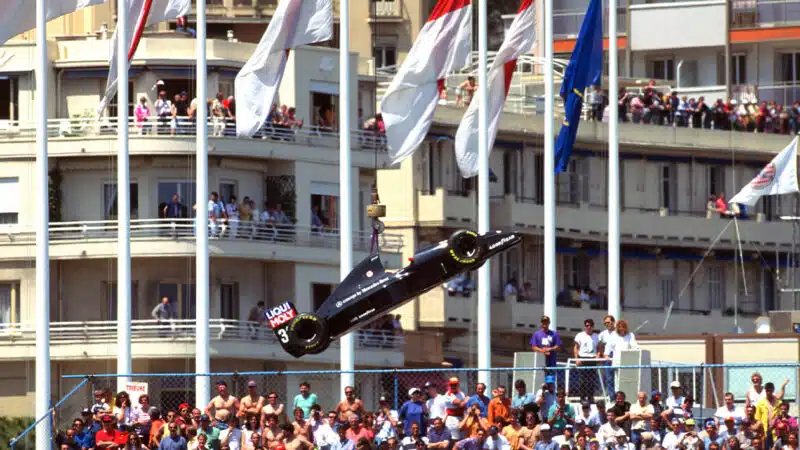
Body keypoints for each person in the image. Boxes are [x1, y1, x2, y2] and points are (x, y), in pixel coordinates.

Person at [530, 316, 562, 384]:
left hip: (551, 362)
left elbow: (558, 346)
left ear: (549, 322)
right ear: (541, 323)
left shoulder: (554, 334)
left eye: (546, 322)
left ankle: (550, 393)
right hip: (540, 362)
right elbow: (533, 347)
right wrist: (542, 351)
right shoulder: (536, 334)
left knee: (550, 381)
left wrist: (550, 349)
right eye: (543, 322)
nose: (545, 323)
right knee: (540, 381)